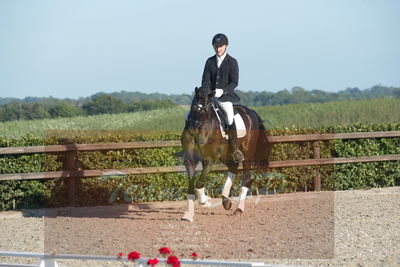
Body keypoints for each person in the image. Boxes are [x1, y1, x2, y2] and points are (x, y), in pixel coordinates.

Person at [201, 33, 244, 162]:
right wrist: (207, 94)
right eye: (215, 47)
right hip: (211, 98)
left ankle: (235, 149)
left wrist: (223, 91)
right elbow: (205, 81)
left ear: (226, 46)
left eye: (220, 47)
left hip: (225, 98)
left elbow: (234, 82)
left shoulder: (232, 62)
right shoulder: (209, 61)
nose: (218, 49)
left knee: (230, 117)